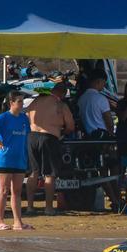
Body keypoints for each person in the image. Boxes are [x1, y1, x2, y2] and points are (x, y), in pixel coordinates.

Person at [24, 82, 75, 215]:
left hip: (32, 136)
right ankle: (48, 207)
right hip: (49, 137)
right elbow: (71, 126)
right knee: (49, 174)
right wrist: (62, 132)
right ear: (63, 93)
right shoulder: (60, 105)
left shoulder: (36, 101)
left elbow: (27, 116)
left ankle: (30, 206)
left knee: (34, 172)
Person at [0, 91, 32, 231]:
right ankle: (0, 221)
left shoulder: (24, 118)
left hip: (19, 159)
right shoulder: (4, 117)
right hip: (5, 159)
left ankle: (18, 222)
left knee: (16, 191)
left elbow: (27, 135)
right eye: (19, 102)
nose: (22, 104)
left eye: (23, 101)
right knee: (3, 190)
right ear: (11, 103)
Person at [79, 72, 115, 137]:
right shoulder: (101, 99)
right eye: (104, 83)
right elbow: (108, 120)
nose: (104, 86)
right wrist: (111, 133)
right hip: (101, 136)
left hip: (86, 137)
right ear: (99, 81)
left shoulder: (81, 99)